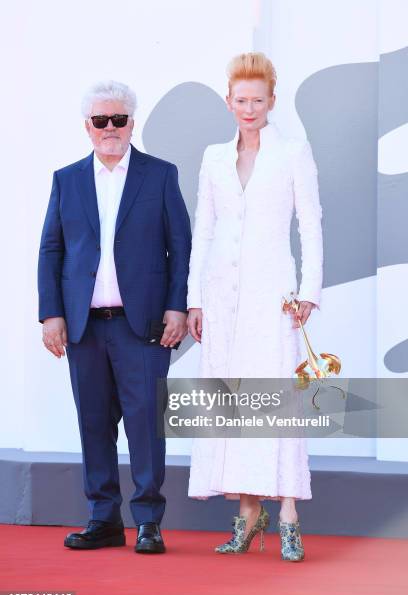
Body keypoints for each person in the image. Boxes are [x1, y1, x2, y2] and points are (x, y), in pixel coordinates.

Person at [38, 80, 191, 554]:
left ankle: (148, 521)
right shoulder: (67, 179)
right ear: (87, 127)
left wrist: (176, 306)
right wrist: (51, 314)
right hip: (83, 327)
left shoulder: (160, 175)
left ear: (131, 123)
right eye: (100, 121)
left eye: (118, 119)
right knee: (93, 424)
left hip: (141, 324)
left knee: (146, 424)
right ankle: (103, 519)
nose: (110, 129)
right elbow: (52, 249)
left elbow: (180, 248)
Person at [187, 53, 323, 561]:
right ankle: (247, 513)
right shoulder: (212, 157)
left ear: (272, 101)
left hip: (274, 297)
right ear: (228, 101)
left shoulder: (293, 151)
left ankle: (286, 512)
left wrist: (310, 288)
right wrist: (194, 299)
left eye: (258, 101)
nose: (249, 109)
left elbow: (310, 220)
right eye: (240, 100)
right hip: (221, 296)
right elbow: (204, 227)